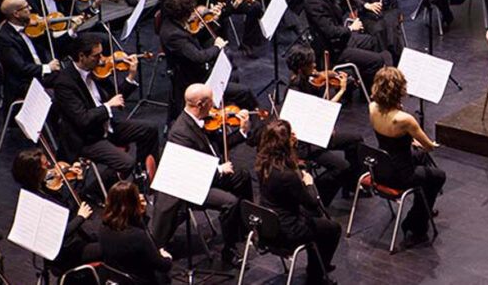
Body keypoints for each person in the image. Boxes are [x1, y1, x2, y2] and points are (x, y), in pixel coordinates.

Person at [150, 84, 254, 267]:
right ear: (200, 104)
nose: (215, 105)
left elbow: (217, 148)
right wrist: (219, 170)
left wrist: (242, 131)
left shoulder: (202, 120)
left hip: (207, 173)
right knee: (230, 202)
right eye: (211, 101)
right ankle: (228, 251)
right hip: (191, 184)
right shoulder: (180, 133)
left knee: (243, 176)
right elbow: (190, 170)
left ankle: (246, 228)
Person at [51, 33, 159, 179]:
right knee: (126, 163)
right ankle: (93, 194)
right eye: (96, 56)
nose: (102, 60)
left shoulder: (95, 72)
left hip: (106, 126)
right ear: (82, 56)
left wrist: (131, 76)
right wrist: (108, 106)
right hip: (87, 139)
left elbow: (116, 98)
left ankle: (142, 175)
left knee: (149, 129)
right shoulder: (65, 83)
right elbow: (83, 119)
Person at [255, 120, 342, 284]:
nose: (294, 135)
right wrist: (308, 183)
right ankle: (315, 275)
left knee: (314, 221)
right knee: (332, 229)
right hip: (287, 231)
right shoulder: (287, 176)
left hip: (266, 224)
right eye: (291, 134)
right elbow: (311, 203)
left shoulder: (261, 163)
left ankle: (318, 262)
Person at [369, 67, 445, 244]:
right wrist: (430, 144)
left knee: (421, 159)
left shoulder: (372, 107)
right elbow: (428, 147)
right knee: (438, 177)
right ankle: (415, 223)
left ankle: (424, 206)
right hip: (400, 175)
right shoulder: (405, 119)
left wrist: (410, 140)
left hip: (381, 167)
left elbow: (391, 136)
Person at [156, 0, 258, 117]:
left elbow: (196, 38)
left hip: (195, 69)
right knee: (244, 92)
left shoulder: (174, 22)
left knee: (232, 70)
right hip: (193, 79)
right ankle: (255, 116)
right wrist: (217, 47)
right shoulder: (173, 35)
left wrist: (215, 20)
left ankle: (229, 110)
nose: (194, 13)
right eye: (191, 11)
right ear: (183, 13)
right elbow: (199, 57)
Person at [304, 0, 389, 91]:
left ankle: (361, 82)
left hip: (340, 40)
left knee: (372, 41)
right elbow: (330, 31)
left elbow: (338, 12)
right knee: (377, 61)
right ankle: (369, 94)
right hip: (333, 49)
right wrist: (351, 28)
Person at [285, 44, 363, 193]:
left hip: (315, 132)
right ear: (301, 68)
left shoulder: (306, 80)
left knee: (356, 140)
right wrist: (341, 91)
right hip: (304, 143)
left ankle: (351, 185)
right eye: (311, 63)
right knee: (341, 167)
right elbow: (322, 111)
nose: (315, 65)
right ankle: (316, 195)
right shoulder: (296, 90)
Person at [11, 149, 99, 275]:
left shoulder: (40, 185)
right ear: (35, 172)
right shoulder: (40, 200)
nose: (50, 165)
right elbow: (58, 236)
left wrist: (79, 180)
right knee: (110, 247)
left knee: (105, 239)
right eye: (45, 164)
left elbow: (69, 204)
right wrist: (80, 217)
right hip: (66, 252)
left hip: (76, 238)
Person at [99, 181, 172, 284]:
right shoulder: (137, 236)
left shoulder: (103, 227)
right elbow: (163, 266)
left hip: (115, 278)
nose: (141, 196)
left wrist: (140, 215)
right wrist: (167, 257)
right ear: (132, 204)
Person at [0, 0, 59, 102]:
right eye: (26, 7)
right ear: (16, 14)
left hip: (41, 73)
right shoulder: (4, 39)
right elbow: (20, 68)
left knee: (71, 82)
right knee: (52, 99)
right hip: (24, 82)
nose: (30, 9)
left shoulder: (30, 27)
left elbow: (51, 41)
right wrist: (47, 67)